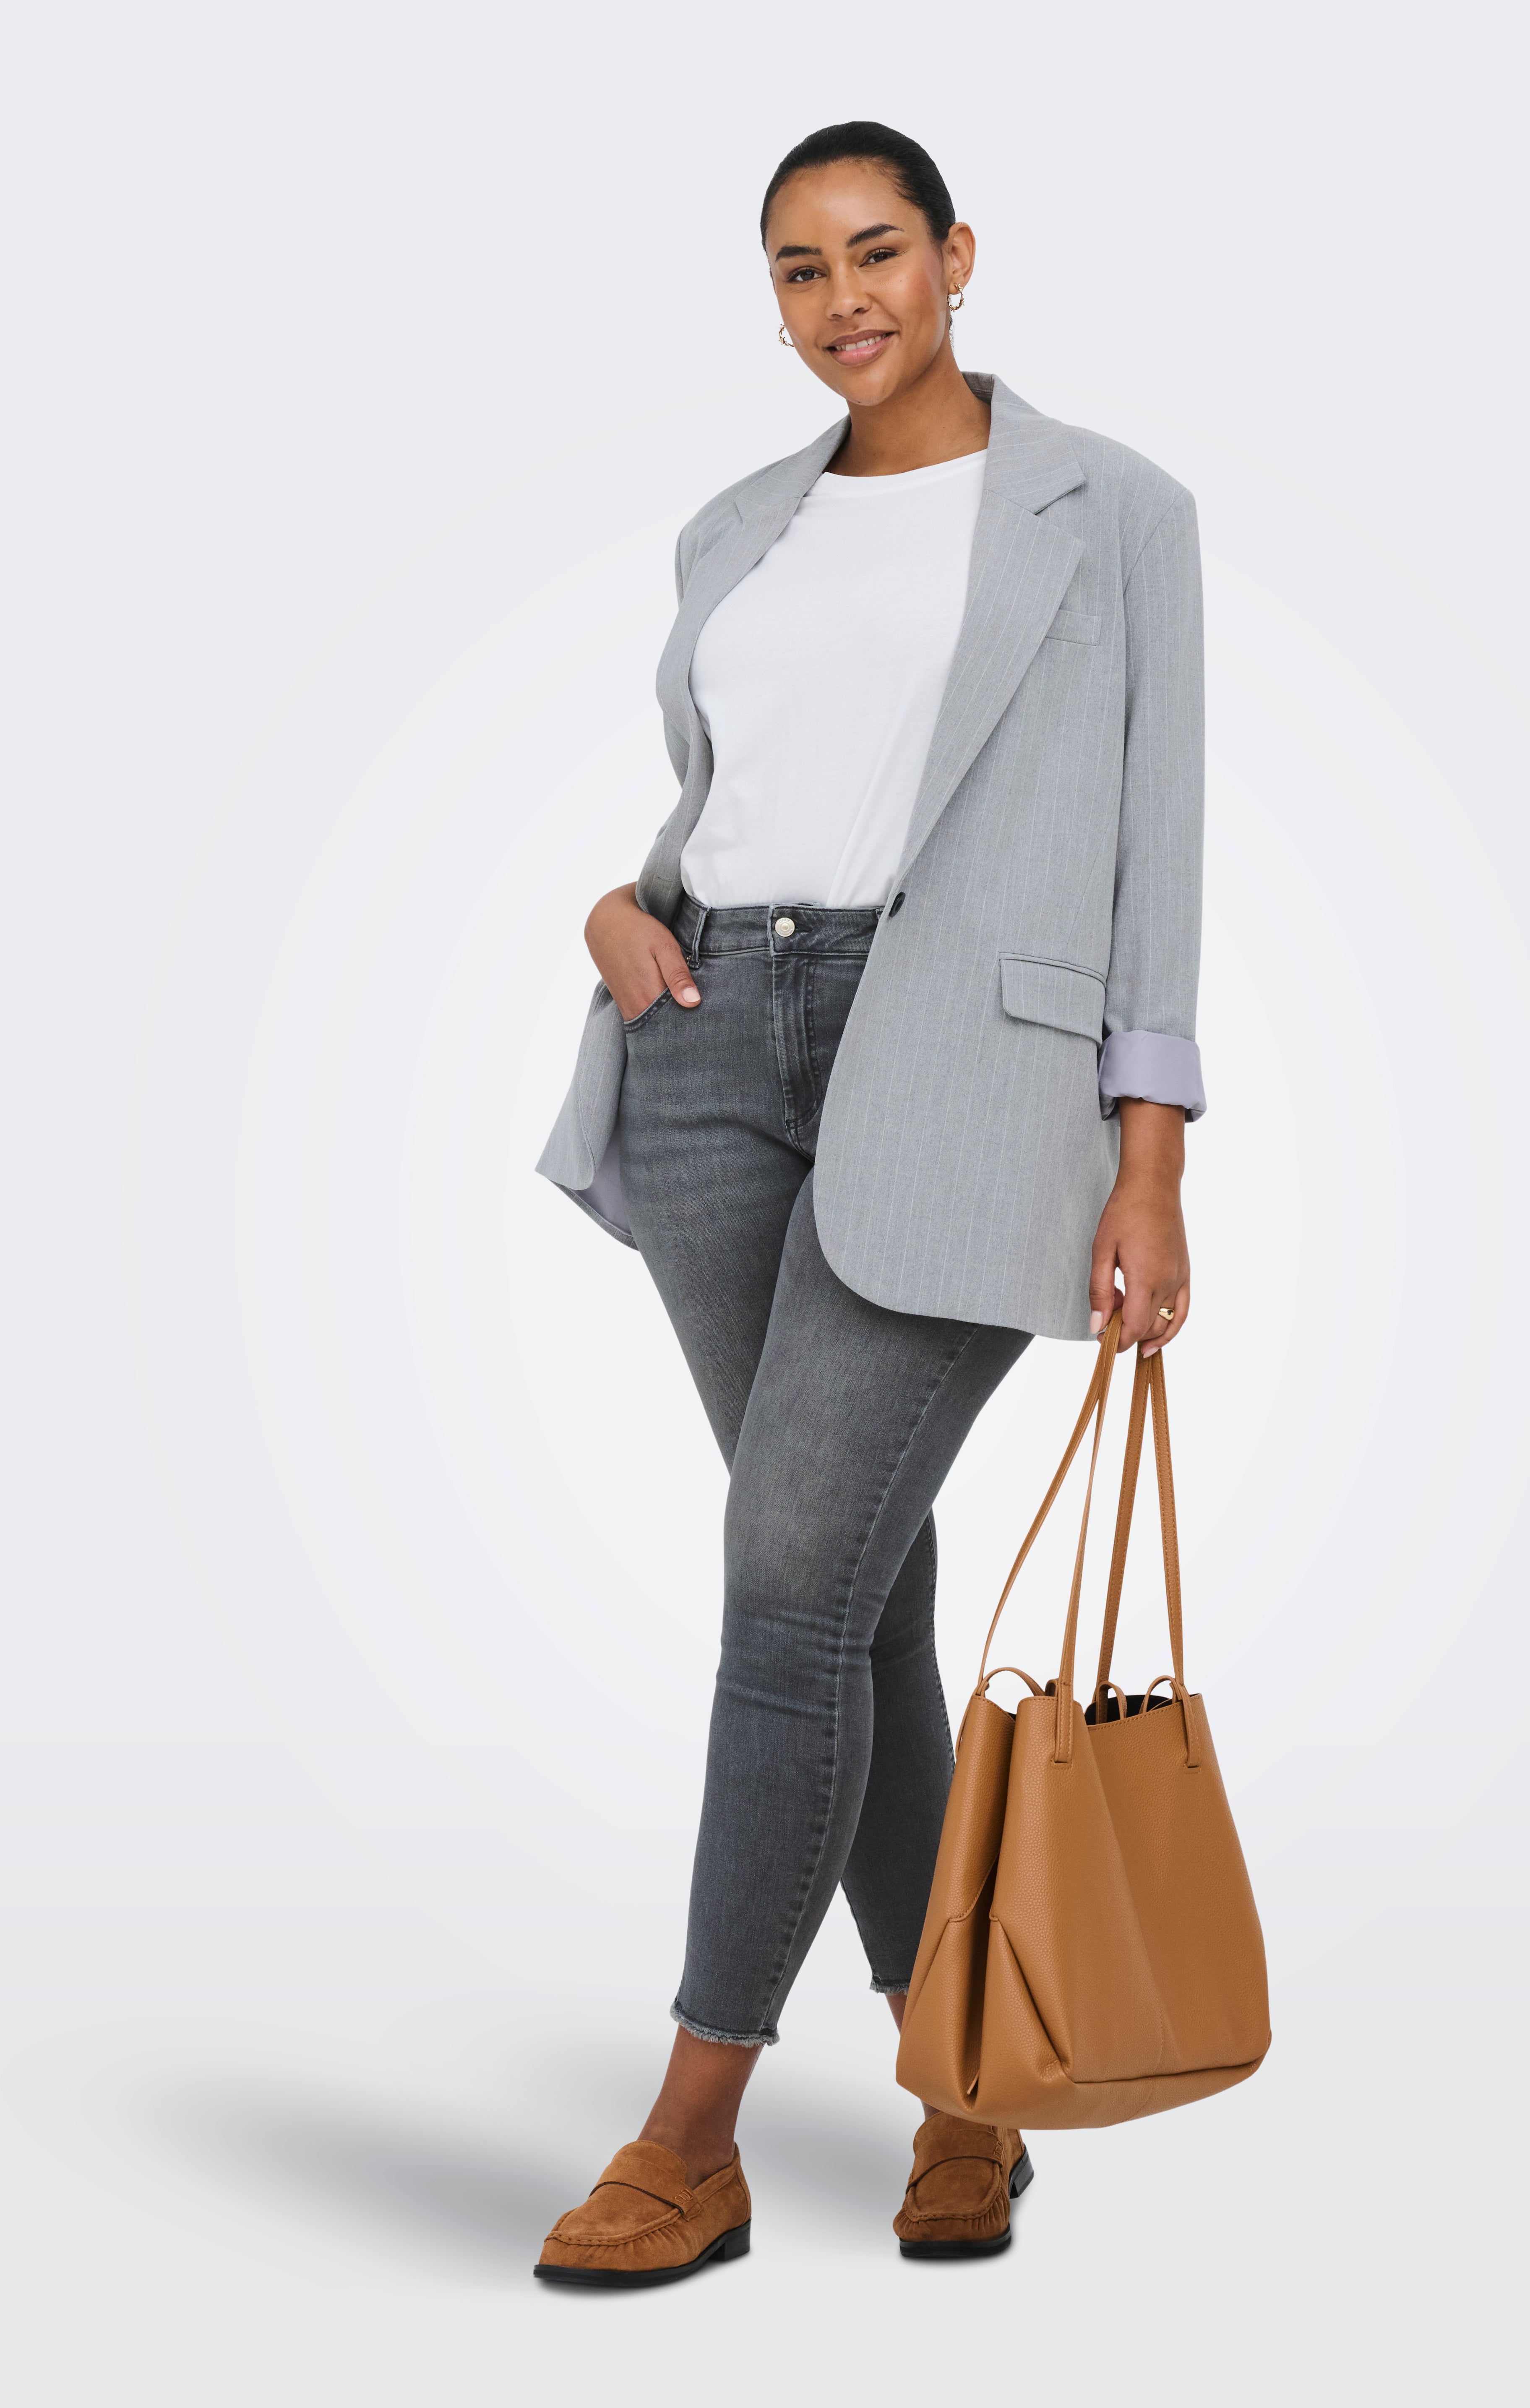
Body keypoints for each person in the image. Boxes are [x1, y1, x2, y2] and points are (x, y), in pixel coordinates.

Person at [532, 120, 1204, 2285]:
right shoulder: (738, 525)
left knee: (786, 1586)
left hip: (966, 1082)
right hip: (709, 1047)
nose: (846, 302)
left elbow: (1157, 847)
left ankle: (693, 2131)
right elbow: (736, 800)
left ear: (958, 255)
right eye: (801, 270)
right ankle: (969, 2093)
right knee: (851, 1600)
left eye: (880, 251)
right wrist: (620, 916)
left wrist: (1152, 1154)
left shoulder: (1114, 511)